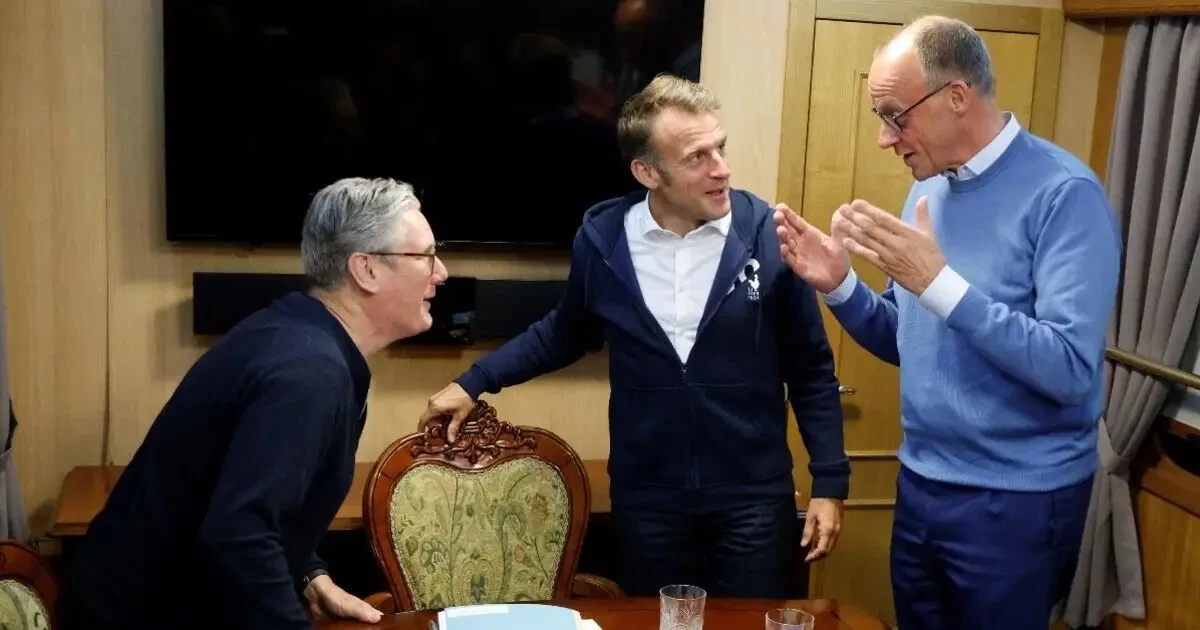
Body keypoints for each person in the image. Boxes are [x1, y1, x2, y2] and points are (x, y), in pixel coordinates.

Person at [421, 74, 849, 599]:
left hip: (753, 502)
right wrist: (474, 381)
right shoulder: (604, 239)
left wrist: (830, 483)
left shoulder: (768, 234)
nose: (721, 168)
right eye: (697, 157)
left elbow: (811, 370)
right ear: (647, 171)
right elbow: (564, 332)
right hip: (649, 503)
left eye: (721, 148)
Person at [773, 16, 1121, 629]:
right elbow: (909, 338)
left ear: (956, 96)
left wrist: (940, 285)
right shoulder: (928, 190)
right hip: (922, 486)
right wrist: (841, 286)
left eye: (894, 116)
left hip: (1017, 501)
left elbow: (1069, 369)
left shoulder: (1065, 194)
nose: (885, 138)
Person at [59, 178, 448, 629]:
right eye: (425, 256)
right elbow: (239, 535)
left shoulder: (302, 336)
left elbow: (260, 504)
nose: (440, 272)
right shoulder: (307, 372)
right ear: (366, 270)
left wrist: (307, 573)